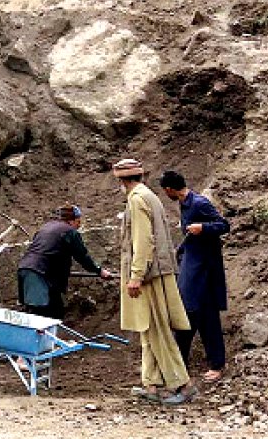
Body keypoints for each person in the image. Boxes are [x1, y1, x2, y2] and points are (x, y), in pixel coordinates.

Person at [113, 158, 197, 406]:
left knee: (158, 330)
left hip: (149, 276)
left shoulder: (137, 200)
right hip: (157, 272)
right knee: (148, 330)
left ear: (122, 180)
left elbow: (143, 241)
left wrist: (136, 276)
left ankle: (184, 384)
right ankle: (151, 384)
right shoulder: (148, 196)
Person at [159, 170, 230, 383]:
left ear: (170, 189)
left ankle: (215, 365)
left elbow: (224, 225)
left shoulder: (199, 203)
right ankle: (180, 364)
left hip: (205, 271)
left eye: (165, 191)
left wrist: (203, 227)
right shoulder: (185, 204)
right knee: (187, 315)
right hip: (191, 265)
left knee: (202, 316)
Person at [17, 204, 113, 319]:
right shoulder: (69, 232)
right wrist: (99, 271)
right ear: (71, 221)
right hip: (39, 274)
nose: (79, 225)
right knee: (44, 315)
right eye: (78, 221)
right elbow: (82, 257)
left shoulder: (46, 227)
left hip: (25, 269)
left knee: (50, 311)